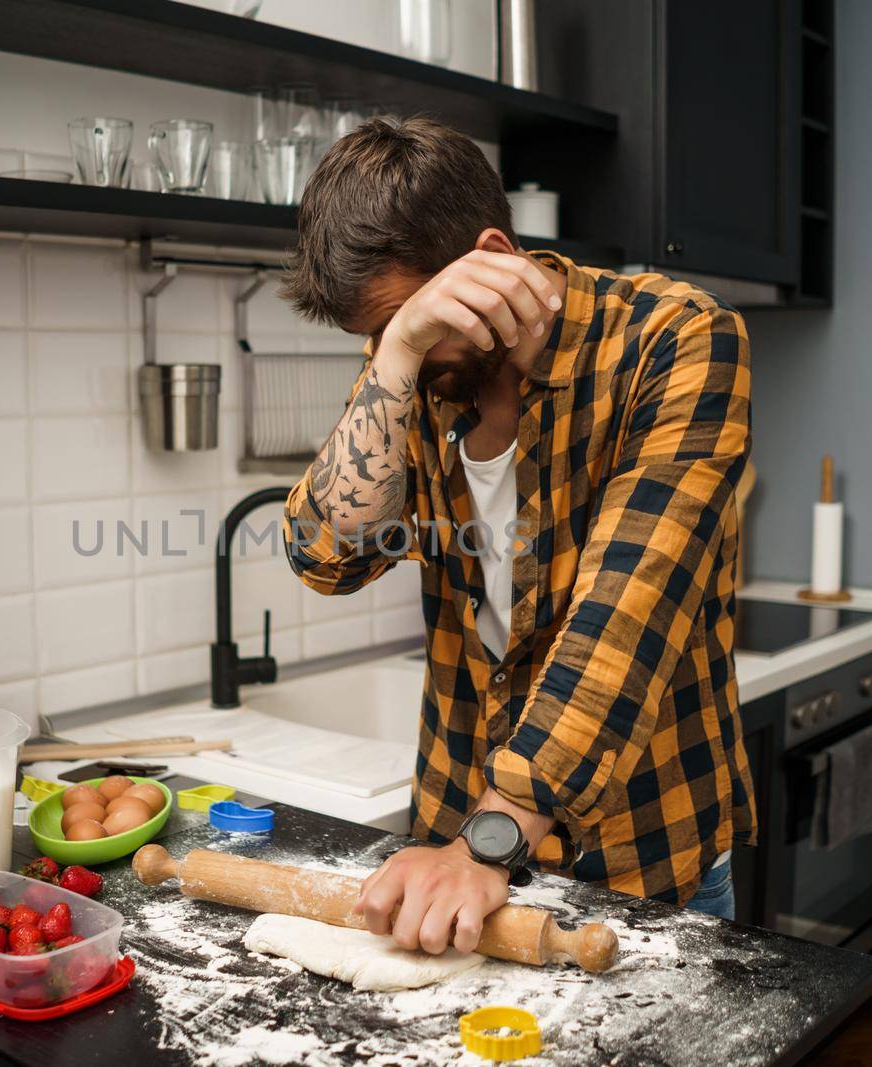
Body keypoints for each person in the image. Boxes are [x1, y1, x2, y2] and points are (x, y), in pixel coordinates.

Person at [280, 117, 755, 954]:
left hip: (639, 852)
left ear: (493, 254)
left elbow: (625, 619)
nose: (409, 351)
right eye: (389, 334)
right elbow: (324, 553)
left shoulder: (676, 339)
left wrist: (489, 841)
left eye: (408, 323)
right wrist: (395, 352)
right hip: (453, 858)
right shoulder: (417, 357)